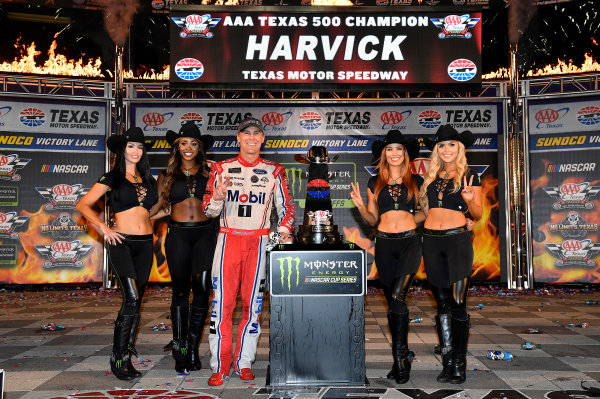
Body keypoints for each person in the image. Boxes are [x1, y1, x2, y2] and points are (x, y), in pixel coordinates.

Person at [202, 116, 295, 386]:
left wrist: (284, 230)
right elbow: (208, 210)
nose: (252, 138)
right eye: (247, 133)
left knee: (252, 309)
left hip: (258, 243)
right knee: (222, 307)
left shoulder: (275, 170)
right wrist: (217, 199)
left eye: (257, 133)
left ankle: (244, 362)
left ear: (263, 138)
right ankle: (220, 365)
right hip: (228, 241)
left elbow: (287, 208)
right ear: (238, 138)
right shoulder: (220, 168)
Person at [77, 127, 158, 380]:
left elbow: (150, 212)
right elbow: (82, 204)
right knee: (132, 299)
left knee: (137, 302)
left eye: (140, 147)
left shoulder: (148, 179)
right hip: (121, 242)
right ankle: (118, 357)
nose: (136, 151)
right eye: (131, 146)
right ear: (122, 150)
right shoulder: (111, 178)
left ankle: (126, 356)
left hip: (145, 244)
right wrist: (102, 227)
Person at [350, 130, 423, 384]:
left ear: (405, 154)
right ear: (384, 154)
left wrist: (410, 222)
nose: (394, 153)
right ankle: (398, 358)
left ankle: (402, 360)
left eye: (399, 149)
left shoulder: (418, 181)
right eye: (390, 149)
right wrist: (360, 206)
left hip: (410, 244)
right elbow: (372, 220)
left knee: (397, 296)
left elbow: (426, 212)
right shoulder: (374, 183)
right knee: (394, 304)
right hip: (383, 246)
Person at [418, 124, 483, 385]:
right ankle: (447, 361)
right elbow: (425, 213)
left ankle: (459, 363)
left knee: (458, 302)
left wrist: (468, 199)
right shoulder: (430, 178)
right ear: (437, 150)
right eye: (442, 145)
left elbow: (478, 214)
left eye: (451, 145)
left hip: (457, 241)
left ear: (460, 148)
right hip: (431, 241)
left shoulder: (470, 175)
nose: (446, 149)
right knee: (442, 303)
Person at [151, 121, 216, 374]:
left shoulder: (211, 172)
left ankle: (192, 347)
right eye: (183, 143)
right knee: (180, 292)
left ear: (199, 146)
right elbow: (162, 208)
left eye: (192, 143)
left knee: (201, 291)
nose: (188, 147)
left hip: (205, 235)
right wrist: (138, 218)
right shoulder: (166, 175)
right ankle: (180, 350)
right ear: (176, 147)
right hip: (177, 235)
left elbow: (219, 204)